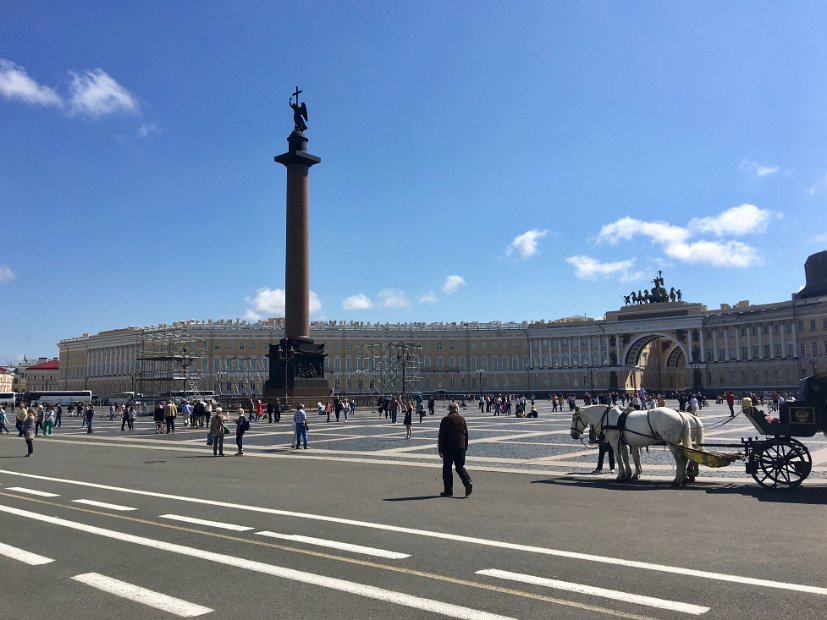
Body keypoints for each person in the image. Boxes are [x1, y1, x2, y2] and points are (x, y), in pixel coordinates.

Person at [437, 402, 472, 497]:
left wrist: (440, 449)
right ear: (457, 409)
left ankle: (448, 491)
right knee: (460, 467)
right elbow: (466, 434)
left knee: (447, 469)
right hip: (460, 447)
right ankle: (468, 482)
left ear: (449, 410)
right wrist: (465, 447)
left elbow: (441, 436)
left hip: (448, 447)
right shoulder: (462, 419)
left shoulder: (445, 419)